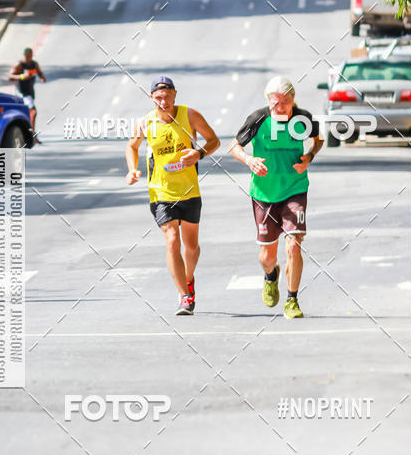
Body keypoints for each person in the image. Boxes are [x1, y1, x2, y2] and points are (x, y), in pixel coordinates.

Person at [229, 76, 323, 319]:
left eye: (286, 101)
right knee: (267, 256)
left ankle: (292, 300)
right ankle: (271, 275)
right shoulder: (258, 119)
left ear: (293, 99)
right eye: (275, 103)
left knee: (294, 244)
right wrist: (249, 160)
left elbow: (318, 138)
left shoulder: (303, 118)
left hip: (295, 188)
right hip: (264, 193)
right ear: (268, 102)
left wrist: (309, 157)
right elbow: (233, 146)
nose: (280, 107)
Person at [126, 76, 219, 315]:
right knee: (171, 241)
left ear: (175, 95)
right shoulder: (146, 123)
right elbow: (132, 147)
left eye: (167, 96)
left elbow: (214, 141)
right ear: (151, 98)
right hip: (161, 192)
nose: (163, 101)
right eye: (158, 98)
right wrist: (132, 169)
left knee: (192, 247)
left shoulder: (190, 115)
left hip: (189, 191)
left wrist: (198, 154)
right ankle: (185, 297)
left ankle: (188, 278)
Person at [8, 48, 46, 142]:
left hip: (29, 91)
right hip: (21, 92)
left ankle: (28, 134)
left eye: (31, 55)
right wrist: (22, 76)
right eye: (28, 56)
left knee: (28, 113)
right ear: (25, 55)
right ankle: (31, 134)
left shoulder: (34, 64)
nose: (29, 57)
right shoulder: (20, 65)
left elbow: (39, 72)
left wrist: (42, 77)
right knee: (33, 112)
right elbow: (10, 76)